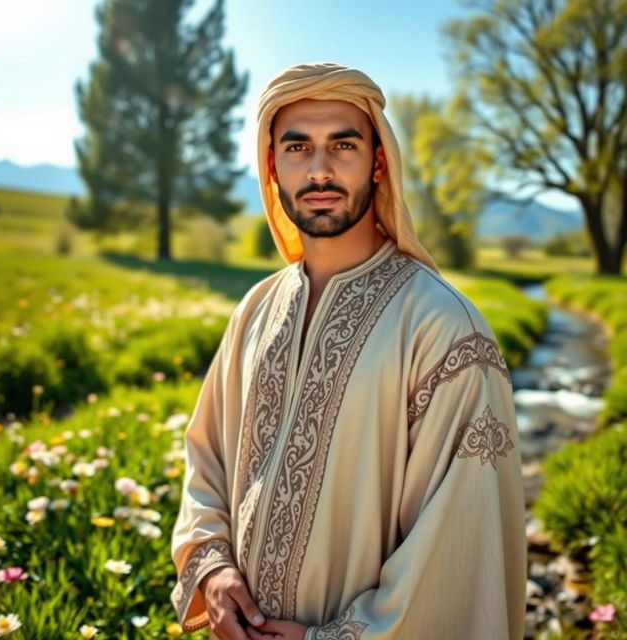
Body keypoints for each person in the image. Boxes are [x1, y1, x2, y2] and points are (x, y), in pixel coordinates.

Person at [170, 62, 527, 640]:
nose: (319, 170)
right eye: (296, 148)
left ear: (379, 161)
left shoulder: (443, 328)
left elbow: (460, 543)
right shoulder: (255, 310)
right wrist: (211, 566)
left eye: (343, 145)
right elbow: (205, 457)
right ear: (272, 168)